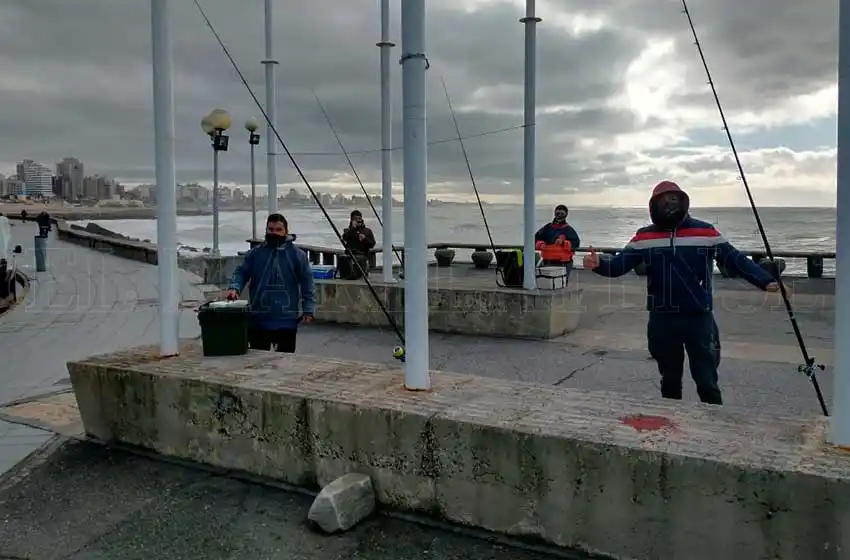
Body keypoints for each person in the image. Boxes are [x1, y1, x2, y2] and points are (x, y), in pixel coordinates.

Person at [582, 181, 780, 406]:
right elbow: (618, 266)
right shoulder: (643, 237)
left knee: (706, 381)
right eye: (664, 200)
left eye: (674, 199)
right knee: (669, 380)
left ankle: (713, 426)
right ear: (654, 206)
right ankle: (672, 427)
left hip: (699, 319)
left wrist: (767, 281)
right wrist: (598, 263)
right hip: (662, 319)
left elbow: (736, 259)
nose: (669, 204)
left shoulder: (706, 231)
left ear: (684, 202)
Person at [225, 213, 316, 353]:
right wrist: (234, 288)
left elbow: (307, 283)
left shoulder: (297, 255)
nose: (274, 233)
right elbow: (241, 272)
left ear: (286, 231)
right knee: (257, 363)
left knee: (285, 363)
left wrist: (308, 309)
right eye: (271, 229)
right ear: (266, 230)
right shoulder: (255, 254)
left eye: (278, 230)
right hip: (258, 319)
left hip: (286, 320)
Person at [535, 204, 581, 279]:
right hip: (547, 262)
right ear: (554, 213)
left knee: (561, 285)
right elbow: (534, 239)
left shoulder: (569, 230)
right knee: (546, 283)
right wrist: (540, 244)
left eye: (562, 213)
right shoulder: (547, 228)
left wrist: (564, 243)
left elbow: (576, 243)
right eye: (558, 213)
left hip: (563, 263)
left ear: (566, 215)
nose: (559, 215)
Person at [340, 210, 376, 279]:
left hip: (362, 255)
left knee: (359, 262)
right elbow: (344, 239)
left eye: (359, 218)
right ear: (352, 220)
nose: (358, 220)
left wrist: (365, 239)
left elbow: (372, 244)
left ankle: (360, 273)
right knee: (343, 259)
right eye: (355, 219)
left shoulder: (367, 231)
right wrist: (353, 228)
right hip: (350, 255)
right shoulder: (347, 230)